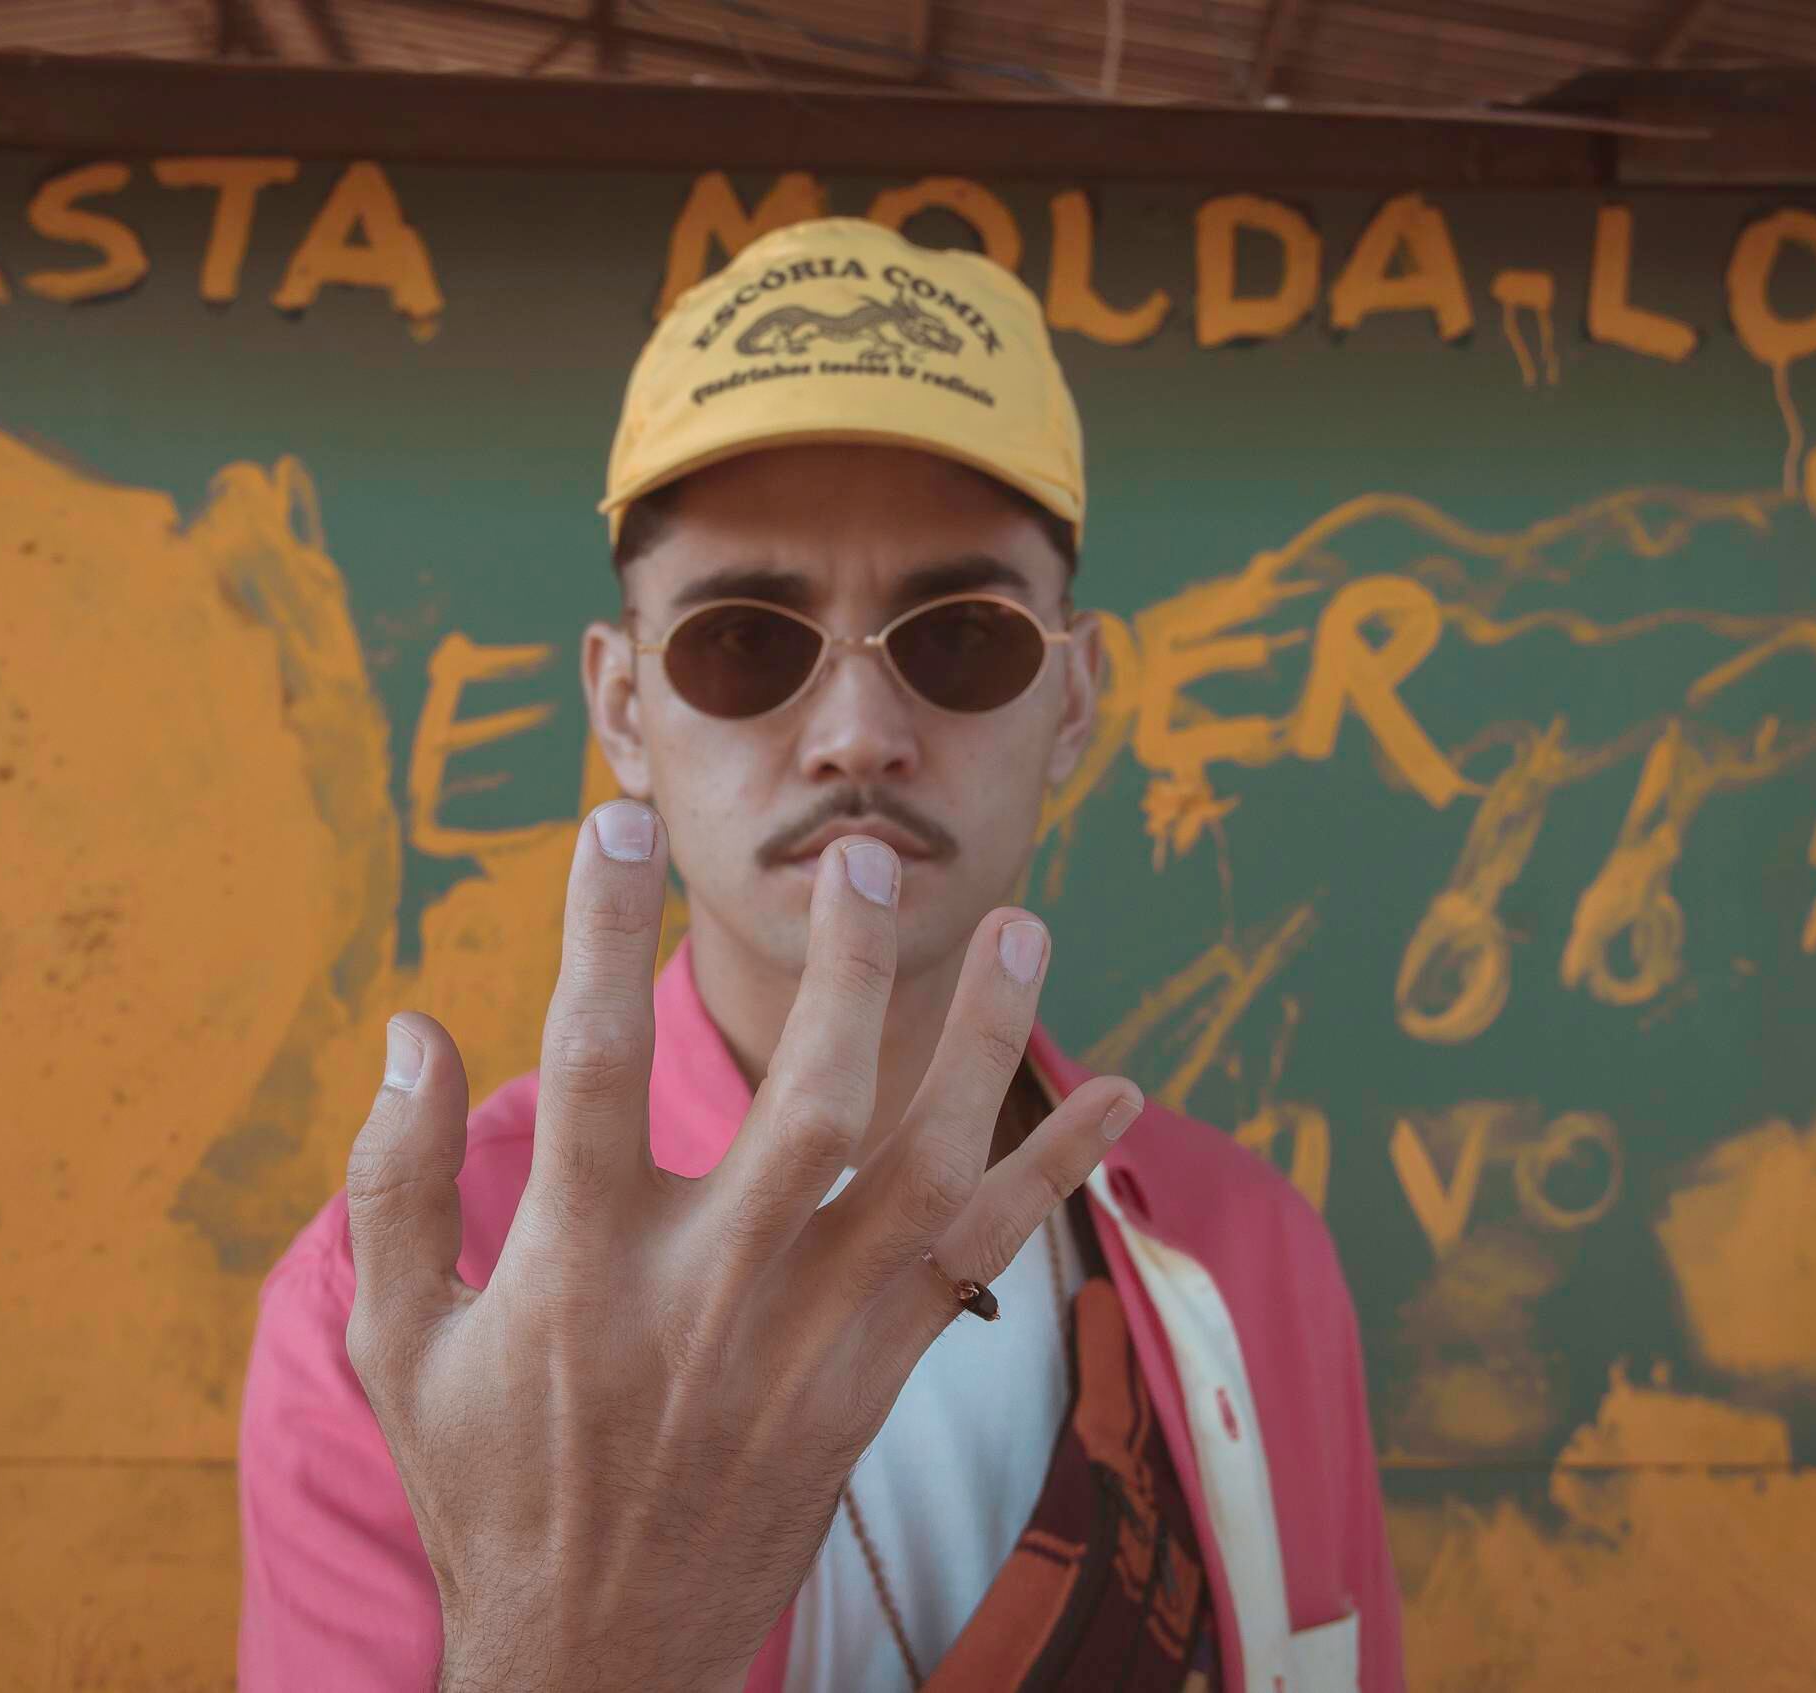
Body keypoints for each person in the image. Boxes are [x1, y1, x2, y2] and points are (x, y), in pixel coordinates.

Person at [237, 216, 1403, 1693]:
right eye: (746, 641)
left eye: (962, 637)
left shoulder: (1248, 1254)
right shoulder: (421, 1292)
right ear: (623, 709)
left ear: (1076, 700)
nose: (858, 735)